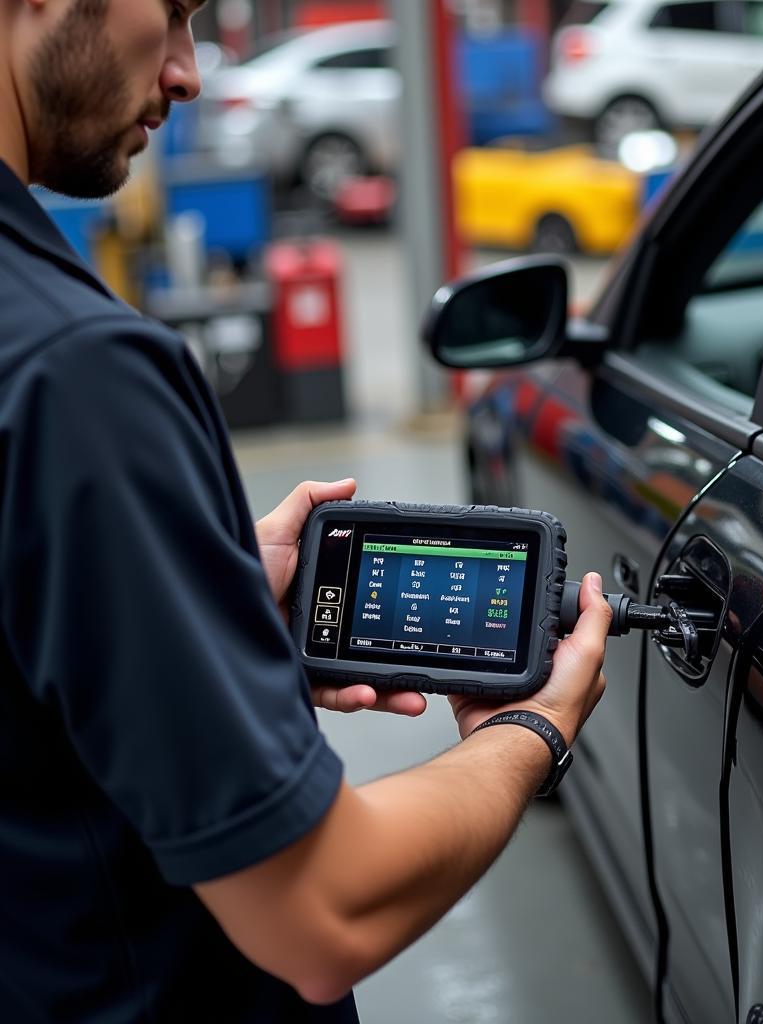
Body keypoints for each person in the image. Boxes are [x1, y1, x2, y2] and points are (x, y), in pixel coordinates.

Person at [0, 1, 611, 1020]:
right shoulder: (79, 373)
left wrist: (192, 587)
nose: (190, 73)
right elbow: (321, 913)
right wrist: (530, 730)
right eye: (176, 12)